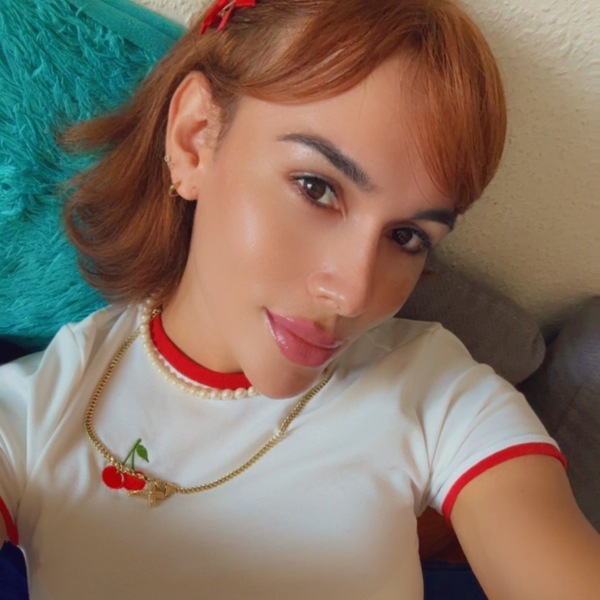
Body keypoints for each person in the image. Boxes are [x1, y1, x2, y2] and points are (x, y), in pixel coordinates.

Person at [1, 0, 599, 598]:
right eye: (317, 188)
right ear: (195, 138)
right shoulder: (31, 413)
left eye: (407, 237)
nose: (355, 293)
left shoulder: (437, 393)